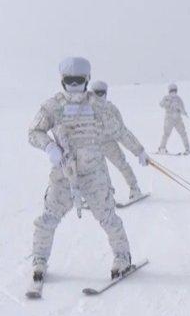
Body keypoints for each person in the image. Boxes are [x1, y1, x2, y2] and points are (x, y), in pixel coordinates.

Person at [29, 57, 150, 280]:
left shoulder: (98, 106)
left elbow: (120, 132)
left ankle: (122, 257)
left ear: (87, 80)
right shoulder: (52, 106)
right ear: (62, 80)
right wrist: (49, 147)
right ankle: (39, 260)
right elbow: (34, 132)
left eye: (78, 81)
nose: (74, 86)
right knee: (48, 219)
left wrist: (139, 151)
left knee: (108, 217)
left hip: (95, 174)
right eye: (70, 81)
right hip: (64, 174)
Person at [89, 80, 147, 200]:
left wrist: (139, 151)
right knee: (91, 171)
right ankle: (95, 196)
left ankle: (134, 188)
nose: (99, 95)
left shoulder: (111, 109)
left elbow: (122, 131)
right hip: (91, 145)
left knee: (122, 164)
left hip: (108, 143)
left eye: (102, 92)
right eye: (97, 93)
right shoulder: (85, 108)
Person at [157, 83, 190, 155]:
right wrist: (185, 113)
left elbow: (161, 104)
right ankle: (187, 148)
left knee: (166, 134)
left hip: (169, 119)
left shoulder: (166, 97)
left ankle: (162, 148)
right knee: (183, 134)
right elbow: (182, 109)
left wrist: (166, 103)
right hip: (177, 119)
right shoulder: (178, 98)